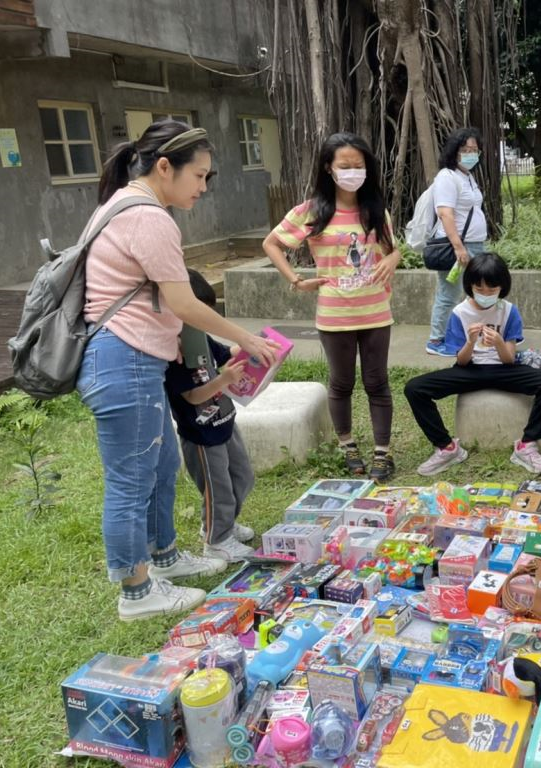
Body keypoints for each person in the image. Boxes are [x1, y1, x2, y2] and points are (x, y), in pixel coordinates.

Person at [78, 119, 279, 622]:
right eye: (201, 176)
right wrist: (244, 337)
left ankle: (163, 556)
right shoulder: (148, 216)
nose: (204, 188)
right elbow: (184, 302)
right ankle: (136, 589)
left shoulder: (128, 208)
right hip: (123, 359)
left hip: (136, 362)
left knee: (163, 466)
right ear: (165, 167)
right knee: (130, 478)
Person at [263, 132, 400, 481]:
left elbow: (392, 249)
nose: (353, 171)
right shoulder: (311, 212)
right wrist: (296, 279)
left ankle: (383, 454)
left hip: (375, 311)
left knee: (378, 382)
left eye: (359, 165)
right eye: (346, 165)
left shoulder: (375, 210)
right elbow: (272, 243)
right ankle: (347, 445)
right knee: (341, 383)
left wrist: (394, 259)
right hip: (334, 315)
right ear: (329, 168)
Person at [405, 252, 541, 476]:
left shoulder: (508, 311)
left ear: (502, 287)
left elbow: (508, 359)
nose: (485, 294)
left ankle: (527, 445)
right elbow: (461, 360)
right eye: (479, 289)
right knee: (414, 388)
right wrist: (470, 342)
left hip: (503, 369)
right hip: (470, 369)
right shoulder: (460, 313)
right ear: (470, 286)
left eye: (492, 290)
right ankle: (447, 448)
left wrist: (498, 342)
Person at [165, 269, 256, 564]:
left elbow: (225, 352)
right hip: (201, 434)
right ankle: (216, 540)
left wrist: (253, 346)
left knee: (242, 477)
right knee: (217, 489)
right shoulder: (173, 351)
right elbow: (193, 396)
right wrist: (223, 380)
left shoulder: (199, 336)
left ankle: (223, 525)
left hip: (224, 421)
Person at [426, 128, 488, 356]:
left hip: (475, 245)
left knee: (476, 290)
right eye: (465, 150)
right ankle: (435, 339)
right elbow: (445, 214)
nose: (471, 154)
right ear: (454, 152)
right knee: (449, 293)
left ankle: (472, 334)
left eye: (474, 150)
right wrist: (459, 247)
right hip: (459, 248)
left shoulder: (468, 177)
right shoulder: (447, 177)